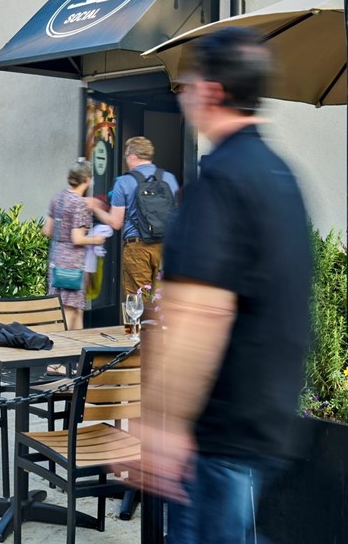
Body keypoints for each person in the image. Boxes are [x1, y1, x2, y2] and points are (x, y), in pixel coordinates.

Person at [127, 27, 312, 543]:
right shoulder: (280, 176)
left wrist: (162, 426)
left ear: (213, 91)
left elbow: (199, 316)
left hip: (219, 434)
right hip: (267, 423)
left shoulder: (220, 180)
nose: (183, 95)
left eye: (187, 85)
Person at [87, 136, 178, 305]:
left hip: (137, 247)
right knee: (163, 299)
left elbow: (116, 222)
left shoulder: (124, 182)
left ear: (132, 155)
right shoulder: (169, 178)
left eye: (126, 156)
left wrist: (95, 207)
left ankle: (139, 323)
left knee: (137, 299)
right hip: (165, 247)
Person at [42, 161, 106, 334]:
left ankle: (78, 350)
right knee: (69, 310)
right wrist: (96, 239)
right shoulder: (79, 203)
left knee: (77, 310)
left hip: (56, 259)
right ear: (87, 180)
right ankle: (58, 350)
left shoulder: (58, 197)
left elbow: (47, 230)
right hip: (73, 264)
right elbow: (77, 238)